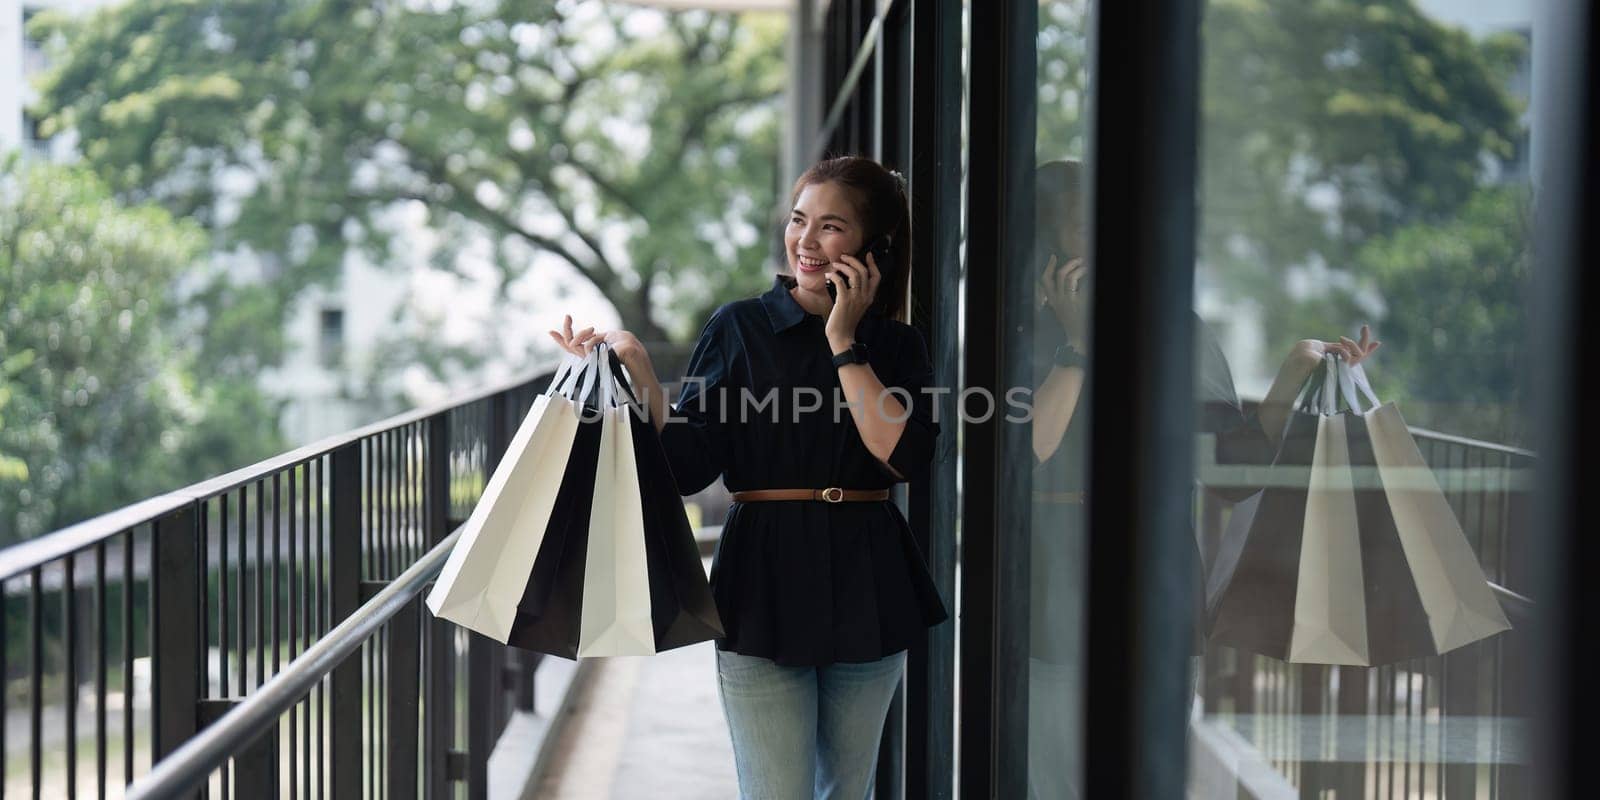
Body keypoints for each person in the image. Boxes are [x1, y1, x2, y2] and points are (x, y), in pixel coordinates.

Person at [550, 156, 947, 799]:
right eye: (799, 221)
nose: (807, 242)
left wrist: (844, 340)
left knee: (849, 791)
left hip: (870, 577)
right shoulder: (738, 328)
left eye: (831, 227)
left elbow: (902, 458)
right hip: (762, 577)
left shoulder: (897, 345)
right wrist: (644, 376)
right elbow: (690, 466)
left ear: (874, 246)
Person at [1023, 159, 1380, 799]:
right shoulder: (1015, 334)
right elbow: (1032, 452)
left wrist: (1292, 374)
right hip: (1047, 594)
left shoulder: (1170, 329)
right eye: (1079, 224)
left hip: (1154, 595)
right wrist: (1075, 343)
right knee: (1050, 783)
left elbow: (1232, 471)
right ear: (1046, 244)